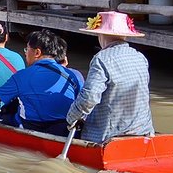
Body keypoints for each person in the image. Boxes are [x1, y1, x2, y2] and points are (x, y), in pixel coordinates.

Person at [0, 30, 84, 136]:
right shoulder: (73, 75)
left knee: (2, 114)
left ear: (37, 53)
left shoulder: (23, 75)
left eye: (27, 49)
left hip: (33, 126)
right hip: (65, 130)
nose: (25, 53)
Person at [65, 11, 155, 143]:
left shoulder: (101, 59)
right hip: (144, 132)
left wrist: (71, 118)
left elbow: (89, 98)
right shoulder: (140, 57)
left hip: (110, 136)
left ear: (101, 34)